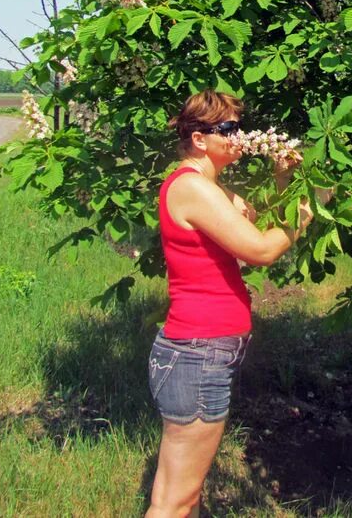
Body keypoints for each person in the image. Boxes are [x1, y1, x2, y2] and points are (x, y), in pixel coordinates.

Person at [146, 89, 312, 518]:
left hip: (201, 351)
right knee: (175, 502)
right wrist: (300, 224)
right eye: (230, 129)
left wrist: (282, 178)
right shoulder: (192, 189)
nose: (240, 136)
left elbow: (260, 220)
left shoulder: (211, 190)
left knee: (182, 496)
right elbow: (258, 250)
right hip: (197, 352)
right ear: (200, 139)